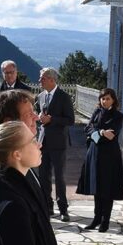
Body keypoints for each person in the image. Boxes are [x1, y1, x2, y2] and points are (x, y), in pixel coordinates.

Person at [76, 88, 123, 232]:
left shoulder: (118, 116)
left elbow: (112, 135)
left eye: (108, 99)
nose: (105, 101)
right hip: (94, 153)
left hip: (109, 156)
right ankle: (96, 218)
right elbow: (87, 128)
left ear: (113, 100)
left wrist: (96, 134)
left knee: (107, 189)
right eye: (103, 98)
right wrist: (101, 132)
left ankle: (105, 221)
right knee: (96, 187)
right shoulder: (97, 112)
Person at [35, 68, 74, 222]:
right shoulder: (40, 96)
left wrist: (52, 119)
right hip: (43, 142)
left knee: (59, 177)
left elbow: (70, 120)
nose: (40, 81)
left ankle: (63, 209)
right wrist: (40, 118)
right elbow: (41, 117)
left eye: (42, 78)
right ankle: (47, 206)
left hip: (58, 143)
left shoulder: (64, 97)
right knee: (43, 176)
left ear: (52, 79)